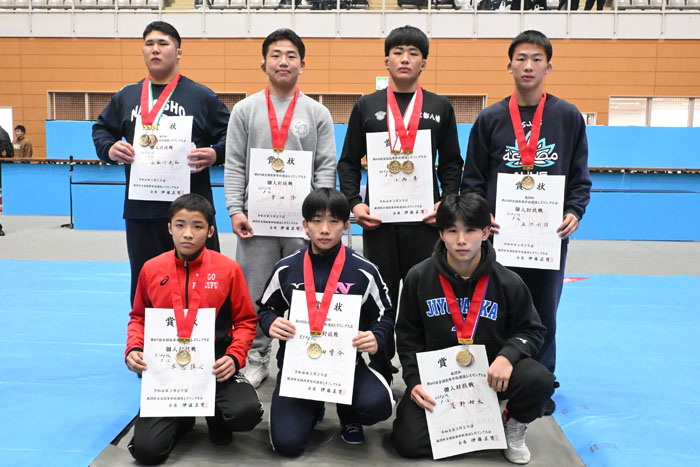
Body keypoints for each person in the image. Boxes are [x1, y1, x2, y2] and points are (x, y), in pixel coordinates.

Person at [461, 30, 591, 415]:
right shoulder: (490, 118)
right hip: (500, 237)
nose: (528, 66)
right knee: (493, 307)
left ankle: (541, 382)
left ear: (549, 66)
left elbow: (579, 175)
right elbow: (473, 178)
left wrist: (574, 211)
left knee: (544, 311)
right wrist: (482, 215)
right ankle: (490, 377)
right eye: (521, 58)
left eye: (536, 59)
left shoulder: (568, 117)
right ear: (509, 66)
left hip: (548, 236)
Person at [337, 25, 463, 381]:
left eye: (413, 53)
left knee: (426, 295)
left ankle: (424, 371)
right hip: (379, 222)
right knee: (382, 297)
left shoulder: (440, 107)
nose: (405, 59)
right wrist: (355, 204)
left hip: (425, 223)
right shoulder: (366, 106)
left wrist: (446, 203)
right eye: (398, 52)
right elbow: (348, 161)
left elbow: (452, 163)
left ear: (424, 62)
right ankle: (380, 367)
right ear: (386, 60)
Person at [391, 193, 554, 464]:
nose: (461, 240)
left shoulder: (508, 282)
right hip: (440, 381)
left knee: (539, 379)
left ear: (486, 232)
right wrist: (414, 381)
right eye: (452, 231)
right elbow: (408, 336)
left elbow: (533, 330)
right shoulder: (419, 277)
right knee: (408, 443)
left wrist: (508, 356)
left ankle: (512, 424)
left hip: (492, 377)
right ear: (440, 233)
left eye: (470, 230)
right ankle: (473, 424)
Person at [224, 28, 337, 388]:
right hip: (256, 221)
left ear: (303, 64)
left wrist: (320, 218)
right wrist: (235, 209)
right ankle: (256, 356)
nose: (283, 61)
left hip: (302, 225)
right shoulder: (244, 110)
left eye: (291, 55)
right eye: (275, 55)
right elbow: (234, 163)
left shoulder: (317, 113)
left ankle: (302, 358)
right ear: (263, 63)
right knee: (254, 291)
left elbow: (325, 167)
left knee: (305, 291)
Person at [93, 21, 230, 304]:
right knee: (147, 283)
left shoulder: (201, 96)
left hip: (192, 210)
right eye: (149, 44)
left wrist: (216, 153)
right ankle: (144, 333)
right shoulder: (126, 96)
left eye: (163, 43)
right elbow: (101, 129)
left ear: (178, 52)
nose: (155, 49)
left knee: (202, 282)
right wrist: (109, 149)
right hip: (142, 209)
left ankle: (206, 331)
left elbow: (232, 135)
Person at [125, 193, 262, 465]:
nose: (188, 233)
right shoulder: (151, 269)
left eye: (197, 226)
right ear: (169, 227)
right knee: (147, 452)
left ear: (210, 231)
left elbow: (246, 321)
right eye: (180, 225)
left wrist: (234, 357)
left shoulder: (228, 270)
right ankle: (183, 417)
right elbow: (138, 317)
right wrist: (134, 348)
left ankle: (215, 415)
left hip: (215, 367)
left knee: (244, 413)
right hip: (167, 371)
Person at [257, 188, 394, 455]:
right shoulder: (287, 268)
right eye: (317, 220)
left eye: (333, 221)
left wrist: (377, 336)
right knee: (287, 445)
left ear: (345, 226)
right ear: (305, 225)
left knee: (378, 405)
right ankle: (313, 406)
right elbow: (265, 308)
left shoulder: (363, 271)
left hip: (346, 367)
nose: (324, 229)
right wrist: (270, 322)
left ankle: (349, 413)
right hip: (298, 370)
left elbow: (385, 314)